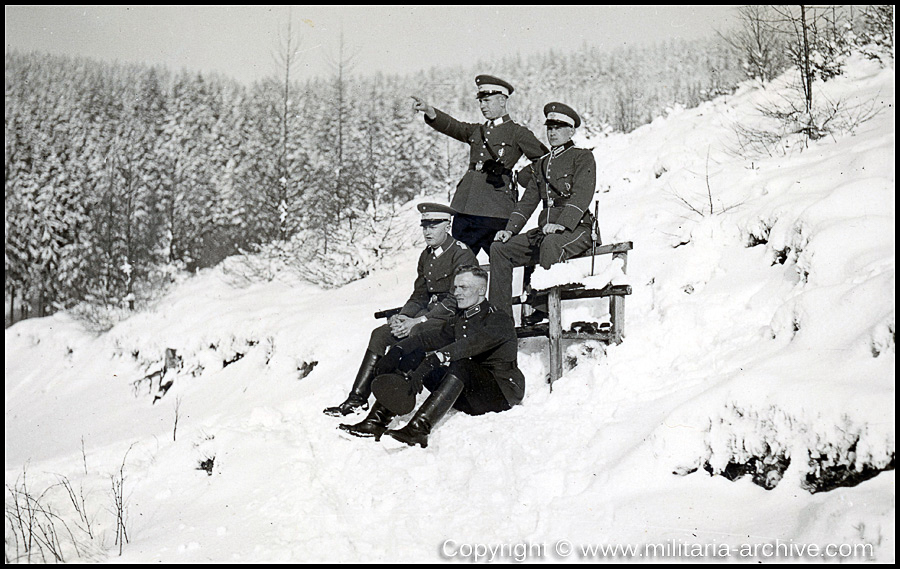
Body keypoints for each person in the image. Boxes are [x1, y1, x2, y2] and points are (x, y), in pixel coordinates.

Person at [339, 265, 524, 448]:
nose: (457, 292)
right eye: (455, 287)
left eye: (463, 287)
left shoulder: (497, 318)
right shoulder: (462, 318)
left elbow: (471, 344)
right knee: (415, 353)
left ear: (482, 290)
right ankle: (376, 422)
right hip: (467, 393)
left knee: (462, 364)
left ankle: (418, 430)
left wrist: (437, 358)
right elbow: (432, 338)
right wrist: (399, 350)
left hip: (500, 393)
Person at [323, 203, 477, 417]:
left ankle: (386, 410)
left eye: (433, 226)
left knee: (412, 335)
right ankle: (357, 399)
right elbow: (420, 295)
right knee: (380, 334)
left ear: (447, 225)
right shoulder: (427, 256)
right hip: (428, 315)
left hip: (450, 318)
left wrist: (417, 321)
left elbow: (455, 301)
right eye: (424, 226)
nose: (427, 231)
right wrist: (403, 315)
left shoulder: (460, 254)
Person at [411, 75, 548, 256]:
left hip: (496, 209)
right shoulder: (477, 130)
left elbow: (546, 160)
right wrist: (429, 111)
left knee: (503, 261)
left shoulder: (517, 132)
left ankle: (522, 285)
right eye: (481, 101)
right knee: (460, 261)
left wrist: (520, 175)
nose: (483, 106)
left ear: (502, 100)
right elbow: (453, 126)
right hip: (465, 207)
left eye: (487, 101)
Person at [489, 102, 597, 323]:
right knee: (499, 248)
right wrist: (509, 231)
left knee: (550, 243)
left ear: (571, 131)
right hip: (546, 232)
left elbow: (582, 194)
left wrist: (562, 224)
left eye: (558, 128)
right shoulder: (542, 165)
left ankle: (544, 308)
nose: (552, 133)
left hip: (577, 229)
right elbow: (527, 202)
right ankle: (500, 317)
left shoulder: (582, 157)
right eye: (549, 128)